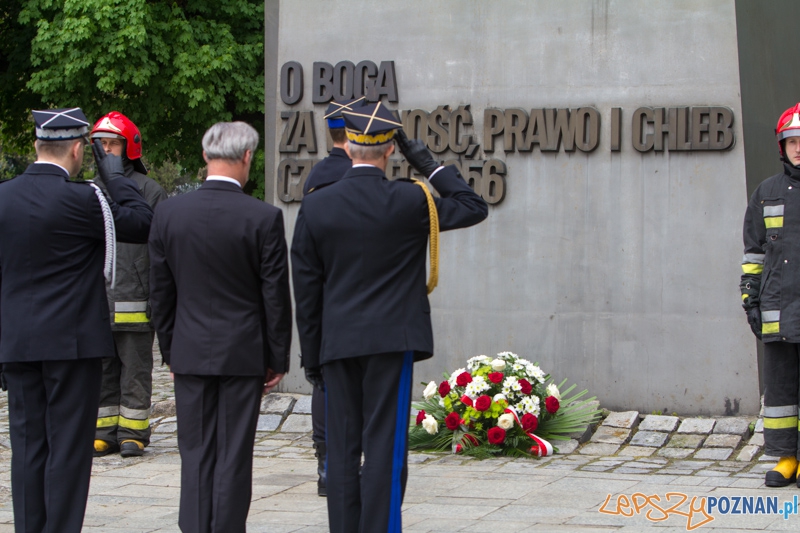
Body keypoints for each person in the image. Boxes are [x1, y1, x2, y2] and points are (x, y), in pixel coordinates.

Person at [291, 102, 488, 532]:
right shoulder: (411, 200)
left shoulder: (318, 205)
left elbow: (306, 290)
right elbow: (473, 205)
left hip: (338, 343)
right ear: (389, 151)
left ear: (348, 146)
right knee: (384, 447)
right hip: (391, 342)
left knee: (341, 449)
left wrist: (311, 358)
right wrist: (428, 164)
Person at [0, 107, 153, 532]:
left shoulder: (3, 197)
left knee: (28, 447)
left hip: (17, 343)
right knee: (68, 450)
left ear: (35, 145)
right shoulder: (86, 199)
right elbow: (142, 222)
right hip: (72, 344)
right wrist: (116, 176)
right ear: (75, 149)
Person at [148, 121, 292, 532]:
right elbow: (275, 296)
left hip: (190, 350)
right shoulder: (263, 217)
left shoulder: (169, 212)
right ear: (247, 157)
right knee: (233, 453)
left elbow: (162, 292)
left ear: (205, 156)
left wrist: (172, 350)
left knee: (193, 451)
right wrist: (276, 357)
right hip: (242, 352)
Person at [91, 111, 168, 458]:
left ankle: (134, 432)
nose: (107, 150)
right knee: (103, 368)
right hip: (95, 299)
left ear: (129, 148)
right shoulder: (89, 190)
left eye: (113, 144)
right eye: (101, 144)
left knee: (135, 367)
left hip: (135, 297)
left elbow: (161, 248)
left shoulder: (150, 191)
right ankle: (103, 430)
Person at [303, 96, 367, 496]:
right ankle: (345, 463)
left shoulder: (315, 176)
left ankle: (326, 463)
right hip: (353, 292)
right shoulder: (352, 176)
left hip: (324, 294)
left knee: (323, 383)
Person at [741, 102, 800, 488]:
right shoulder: (766, 193)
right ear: (782, 146)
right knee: (779, 388)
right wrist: (750, 296)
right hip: (779, 308)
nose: (798, 147)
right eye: (792, 141)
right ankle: (787, 458)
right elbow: (754, 252)